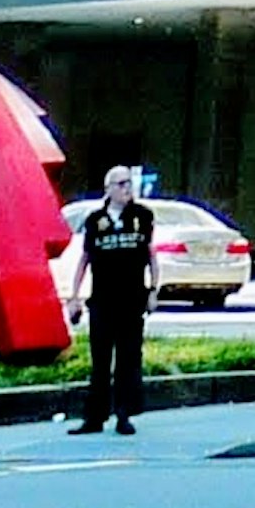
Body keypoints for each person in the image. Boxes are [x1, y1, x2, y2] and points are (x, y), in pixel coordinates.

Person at [71, 164, 156, 438]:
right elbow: (84, 259)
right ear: (108, 188)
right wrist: (74, 295)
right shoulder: (95, 220)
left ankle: (124, 414)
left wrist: (154, 289)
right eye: (121, 184)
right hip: (102, 300)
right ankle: (94, 417)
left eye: (129, 183)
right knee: (100, 360)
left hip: (132, 300)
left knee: (128, 359)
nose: (127, 189)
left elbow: (151, 254)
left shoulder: (142, 216)